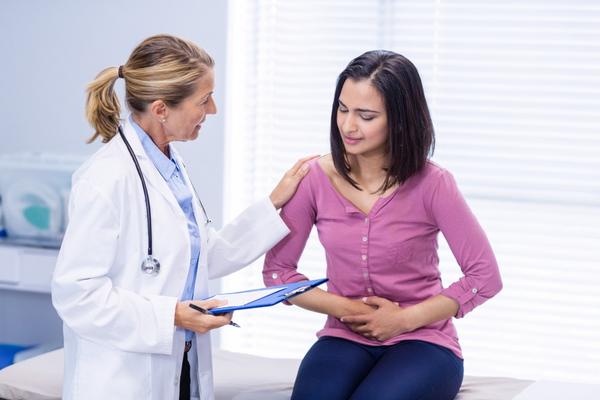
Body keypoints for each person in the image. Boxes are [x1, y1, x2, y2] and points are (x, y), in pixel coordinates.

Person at [51, 34, 314, 400]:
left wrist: (274, 202)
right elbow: (76, 296)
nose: (213, 110)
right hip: (123, 379)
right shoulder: (105, 179)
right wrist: (172, 316)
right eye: (204, 100)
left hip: (182, 364)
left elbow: (203, 256)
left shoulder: (170, 168)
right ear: (161, 109)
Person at [262, 50, 503, 400]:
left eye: (366, 116)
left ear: (400, 120)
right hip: (343, 336)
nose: (348, 125)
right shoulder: (313, 177)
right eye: (342, 109)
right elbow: (277, 274)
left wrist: (403, 320)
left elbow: (485, 276)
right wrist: (348, 309)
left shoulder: (434, 184)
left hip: (424, 341)